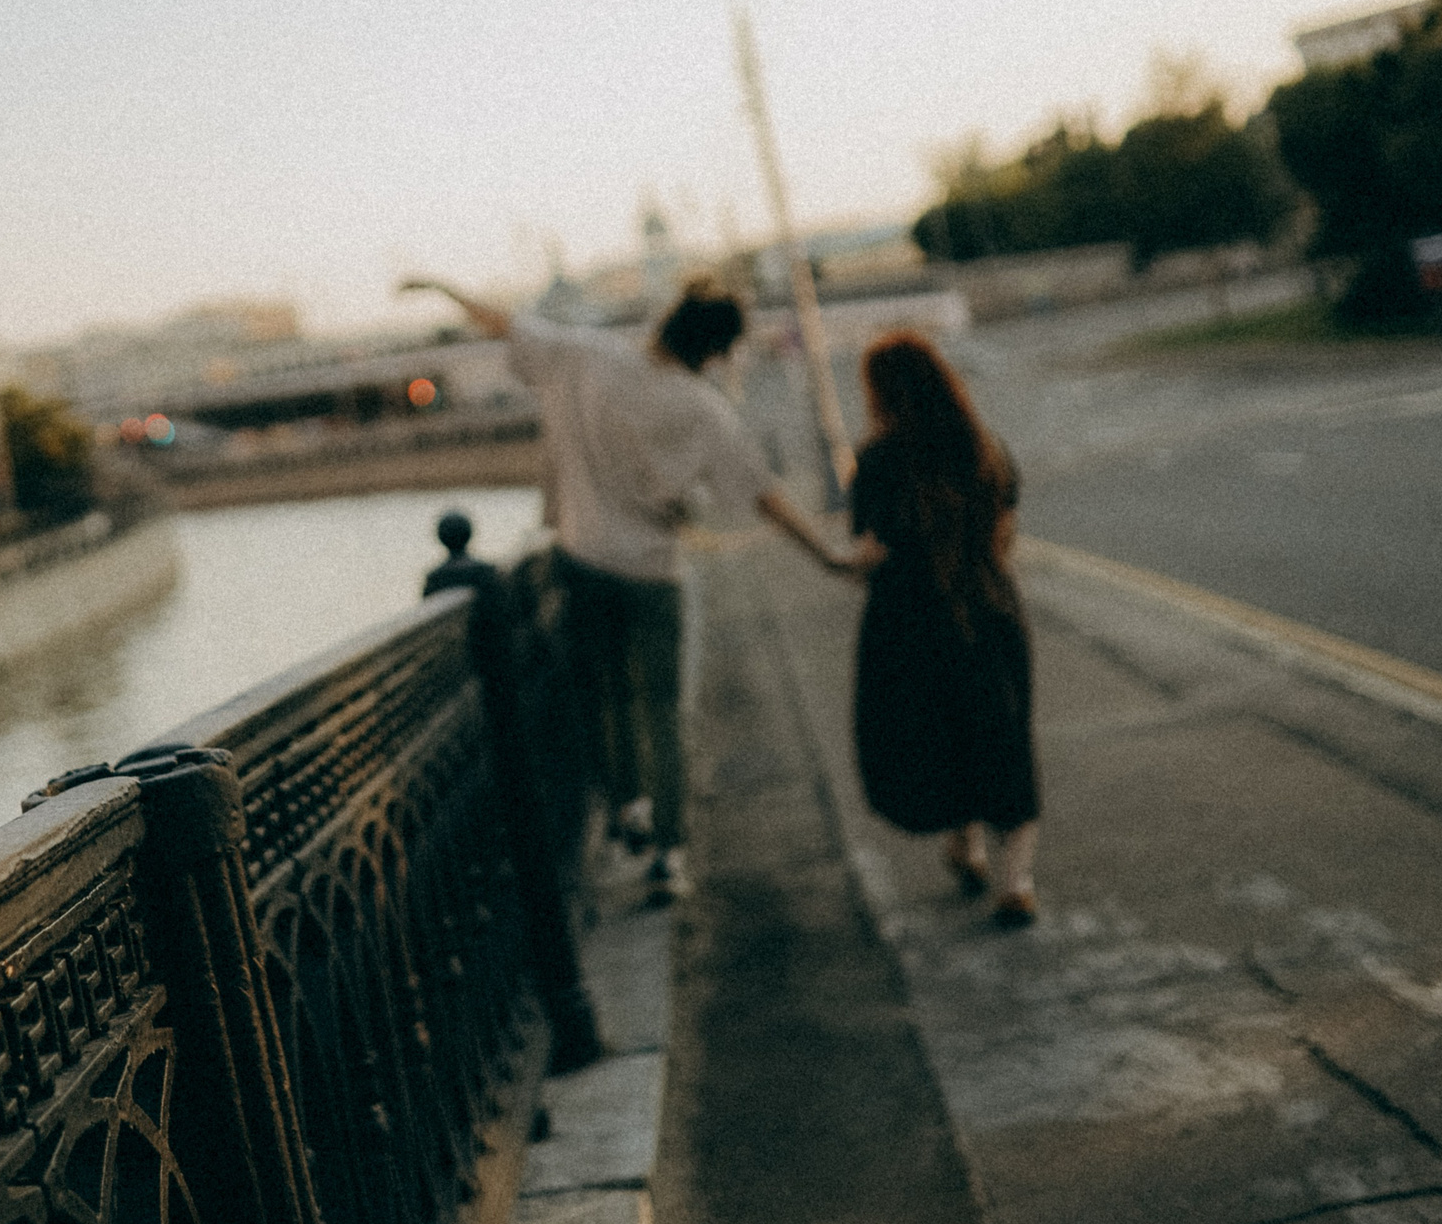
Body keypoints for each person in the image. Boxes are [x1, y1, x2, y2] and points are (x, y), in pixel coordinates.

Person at [400, 274, 839, 901]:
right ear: (715, 350)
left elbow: (503, 320)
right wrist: (829, 555)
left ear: (669, 318)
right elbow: (764, 494)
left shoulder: (585, 355)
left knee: (604, 695)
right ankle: (669, 852)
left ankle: (627, 805)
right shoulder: (702, 406)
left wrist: (438, 287)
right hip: (653, 570)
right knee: (660, 708)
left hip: (580, 558)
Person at [834, 330, 1040, 928]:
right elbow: (1005, 530)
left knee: (943, 738)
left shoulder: (874, 461)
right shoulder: (984, 446)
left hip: (907, 627)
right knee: (1005, 743)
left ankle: (964, 845)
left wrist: (842, 562)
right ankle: (1014, 884)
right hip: (989, 614)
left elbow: (869, 549)